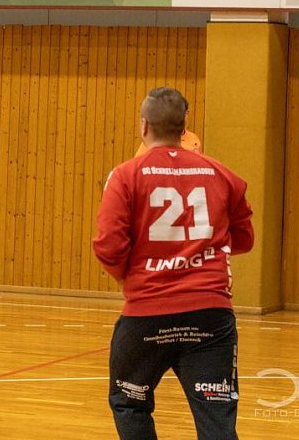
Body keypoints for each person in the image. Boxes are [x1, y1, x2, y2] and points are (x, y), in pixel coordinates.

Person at [92, 87, 254, 440]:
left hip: (147, 315)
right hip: (211, 317)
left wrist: (127, 279)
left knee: (129, 402)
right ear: (184, 129)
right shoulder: (224, 175)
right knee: (217, 419)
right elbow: (244, 240)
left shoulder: (126, 175)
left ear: (143, 125)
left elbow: (108, 246)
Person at [134, 94, 200, 157]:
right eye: (179, 113)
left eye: (186, 113)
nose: (183, 117)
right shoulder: (154, 140)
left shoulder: (194, 138)